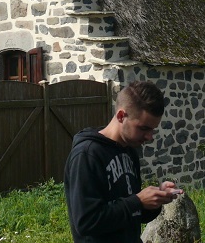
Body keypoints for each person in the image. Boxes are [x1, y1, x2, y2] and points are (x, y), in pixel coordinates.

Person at [64, 80, 182, 243]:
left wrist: (156, 199)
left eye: (152, 129)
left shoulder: (129, 151)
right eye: (143, 128)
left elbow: (133, 214)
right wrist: (138, 201)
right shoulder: (87, 155)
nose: (150, 137)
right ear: (121, 116)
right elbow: (86, 222)